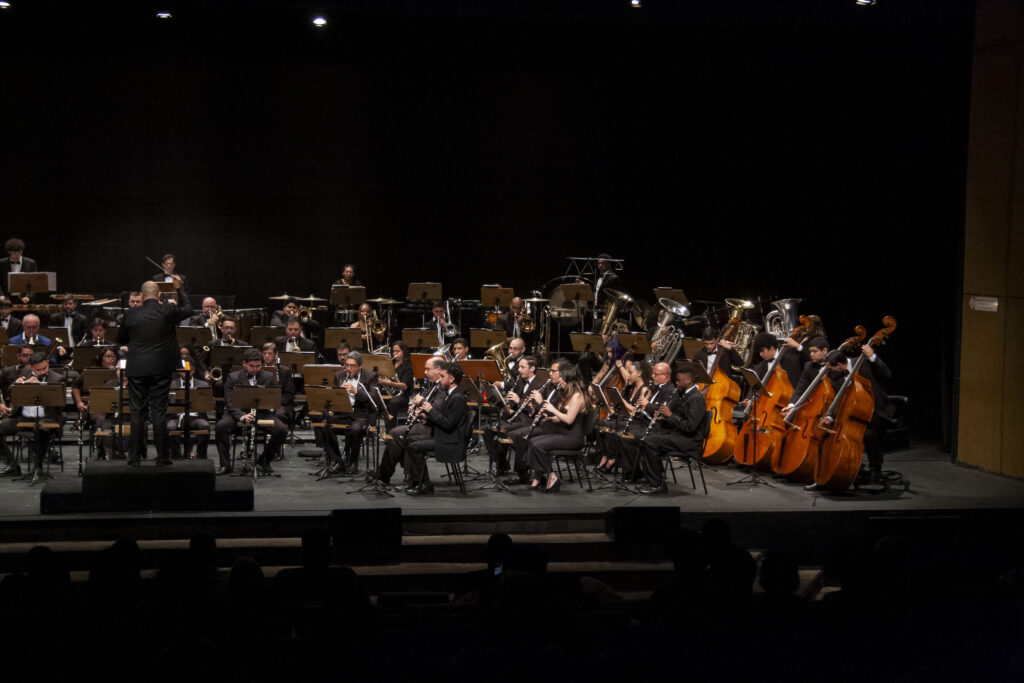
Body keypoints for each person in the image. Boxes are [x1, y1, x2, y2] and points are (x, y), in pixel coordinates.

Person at [116, 276, 193, 466]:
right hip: (160, 369)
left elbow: (121, 338)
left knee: (137, 414)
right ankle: (162, 456)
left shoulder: (130, 314)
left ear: (141, 296)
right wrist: (180, 289)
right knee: (159, 412)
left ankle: (134, 457)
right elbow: (189, 310)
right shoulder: (166, 310)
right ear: (158, 294)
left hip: (137, 369)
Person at [635, 365, 706, 494]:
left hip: (689, 441)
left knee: (649, 442)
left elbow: (690, 427)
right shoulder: (686, 394)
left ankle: (657, 485)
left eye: (679, 380)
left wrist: (670, 415)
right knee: (645, 438)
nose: (677, 383)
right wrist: (664, 418)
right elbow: (680, 419)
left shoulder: (696, 398)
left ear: (688, 380)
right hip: (679, 435)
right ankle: (652, 479)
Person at [522, 359, 591, 492]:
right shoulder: (567, 394)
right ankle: (545, 476)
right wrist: (552, 417)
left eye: (562, 379)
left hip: (573, 438)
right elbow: (563, 416)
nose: (559, 381)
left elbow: (570, 420)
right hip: (563, 433)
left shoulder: (578, 395)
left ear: (569, 379)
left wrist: (553, 410)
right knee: (532, 441)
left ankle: (551, 477)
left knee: (537, 445)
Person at [374, 356, 444, 488]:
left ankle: (385, 476)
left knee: (397, 435)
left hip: (434, 429)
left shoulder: (443, 387)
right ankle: (392, 475)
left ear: (438, 369)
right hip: (426, 425)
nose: (425, 373)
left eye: (428, 369)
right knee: (396, 433)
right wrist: (416, 409)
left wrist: (423, 412)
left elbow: (437, 409)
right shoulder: (432, 386)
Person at [215, 348, 285, 475]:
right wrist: (241, 416)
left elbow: (274, 398)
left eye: (258, 366)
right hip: (238, 412)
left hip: (262, 413)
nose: (255, 369)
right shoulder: (233, 377)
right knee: (221, 427)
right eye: (252, 366)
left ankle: (264, 460)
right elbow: (229, 401)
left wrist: (269, 405)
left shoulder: (269, 376)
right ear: (244, 364)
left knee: (281, 430)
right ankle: (225, 465)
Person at [403, 361, 468, 495]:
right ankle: (415, 482)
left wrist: (430, 410)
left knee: (415, 447)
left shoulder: (457, 398)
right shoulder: (451, 394)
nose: (440, 379)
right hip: (444, 436)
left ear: (451, 379)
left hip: (451, 442)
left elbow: (448, 424)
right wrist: (425, 417)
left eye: (442, 376)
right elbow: (442, 419)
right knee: (409, 439)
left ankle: (425, 484)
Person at [0, 351, 66, 480]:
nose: (42, 372)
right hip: (23, 417)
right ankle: (12, 465)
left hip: (47, 417)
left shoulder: (58, 378)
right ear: (30, 367)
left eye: (44, 368)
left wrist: (38, 388)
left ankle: (38, 467)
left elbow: (59, 405)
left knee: (42, 429)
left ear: (47, 363)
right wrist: (17, 386)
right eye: (38, 370)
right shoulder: (25, 372)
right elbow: (9, 393)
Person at [318, 351, 379, 475]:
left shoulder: (371, 376)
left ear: (360, 366)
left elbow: (373, 398)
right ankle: (338, 460)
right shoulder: (339, 376)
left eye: (352, 365)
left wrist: (355, 391)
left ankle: (351, 461)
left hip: (361, 414)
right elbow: (334, 398)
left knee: (355, 430)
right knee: (325, 425)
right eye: (347, 365)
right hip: (343, 413)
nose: (348, 368)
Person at [486, 354, 542, 481]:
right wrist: (506, 404)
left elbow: (534, 408)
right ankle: (501, 463)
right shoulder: (520, 381)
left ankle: (522, 472)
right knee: (488, 429)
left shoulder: (539, 385)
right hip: (515, 418)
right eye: (519, 367)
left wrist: (518, 400)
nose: (519, 370)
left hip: (528, 420)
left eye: (522, 367)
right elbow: (512, 403)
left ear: (532, 368)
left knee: (510, 433)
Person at [595, 358, 652, 474]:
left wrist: (622, 401)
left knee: (611, 428)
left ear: (639, 374)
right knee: (600, 425)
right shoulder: (630, 388)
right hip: (625, 418)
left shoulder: (645, 390)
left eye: (631, 373)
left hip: (636, 422)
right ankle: (605, 456)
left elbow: (636, 410)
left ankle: (612, 459)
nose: (628, 376)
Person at [167, 356, 211, 460]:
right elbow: (168, 404)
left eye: (189, 371)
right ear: (178, 371)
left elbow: (207, 405)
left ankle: (201, 455)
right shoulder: (171, 384)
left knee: (204, 425)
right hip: (176, 417)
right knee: (170, 427)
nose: (186, 374)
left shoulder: (203, 384)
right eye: (183, 372)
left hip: (196, 417)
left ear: (194, 370)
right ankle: (176, 455)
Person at [379, 340, 414, 431]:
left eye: (397, 351)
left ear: (403, 352)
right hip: (390, 393)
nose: (395, 353)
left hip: (402, 396)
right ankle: (371, 428)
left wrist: (389, 383)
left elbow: (405, 386)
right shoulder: (390, 363)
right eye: (393, 351)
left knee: (393, 402)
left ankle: (390, 432)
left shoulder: (407, 366)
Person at [261, 343, 295, 425]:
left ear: (276, 354)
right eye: (264, 353)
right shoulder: (258, 369)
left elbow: (289, 393)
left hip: (281, 404)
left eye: (269, 353)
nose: (266, 356)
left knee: (279, 414)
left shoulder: (285, 371)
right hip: (262, 403)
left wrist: (275, 403)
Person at [0, 237, 38, 302]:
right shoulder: (1, 263)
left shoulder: (30, 263)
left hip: (24, 299)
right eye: (14, 253)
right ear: (9, 252)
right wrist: (1, 295)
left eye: (19, 253)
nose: (17, 256)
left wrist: (27, 296)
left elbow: (34, 283)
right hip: (6, 300)